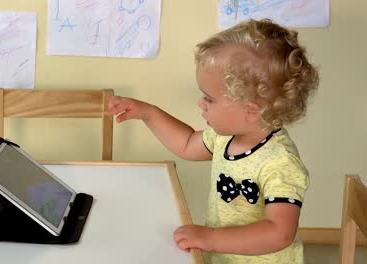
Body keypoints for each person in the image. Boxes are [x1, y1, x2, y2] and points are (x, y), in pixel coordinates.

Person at [105, 19, 319, 263]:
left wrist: (210, 238)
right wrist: (148, 113)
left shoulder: (280, 162)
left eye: (209, 98)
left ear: (251, 109)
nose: (201, 103)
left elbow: (280, 233)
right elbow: (186, 144)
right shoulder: (224, 137)